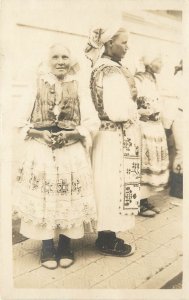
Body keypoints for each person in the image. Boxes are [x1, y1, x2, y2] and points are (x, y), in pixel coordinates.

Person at [13, 43, 100, 269]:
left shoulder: (79, 86)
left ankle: (65, 244)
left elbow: (92, 121)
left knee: (69, 197)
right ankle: (47, 246)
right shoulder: (36, 83)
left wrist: (73, 134)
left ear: (70, 61)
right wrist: (38, 133)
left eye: (64, 57)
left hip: (70, 150)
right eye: (55, 57)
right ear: (48, 60)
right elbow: (18, 120)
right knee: (44, 197)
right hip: (42, 149)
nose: (60, 61)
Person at [85, 26, 141, 256]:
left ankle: (107, 235)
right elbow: (118, 112)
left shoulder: (103, 67)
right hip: (112, 136)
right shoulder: (110, 71)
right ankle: (106, 239)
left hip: (108, 136)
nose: (127, 47)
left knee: (108, 185)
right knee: (111, 186)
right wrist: (135, 109)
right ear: (109, 44)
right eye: (123, 43)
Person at [134, 54, 169, 217]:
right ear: (149, 61)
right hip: (145, 126)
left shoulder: (154, 79)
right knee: (144, 163)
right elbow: (138, 102)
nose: (161, 63)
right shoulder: (139, 79)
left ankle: (144, 200)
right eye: (159, 59)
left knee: (152, 162)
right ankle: (139, 203)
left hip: (155, 126)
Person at [163, 60, 183, 198]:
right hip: (180, 117)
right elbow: (171, 103)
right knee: (182, 152)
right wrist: (167, 125)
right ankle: (177, 188)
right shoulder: (178, 79)